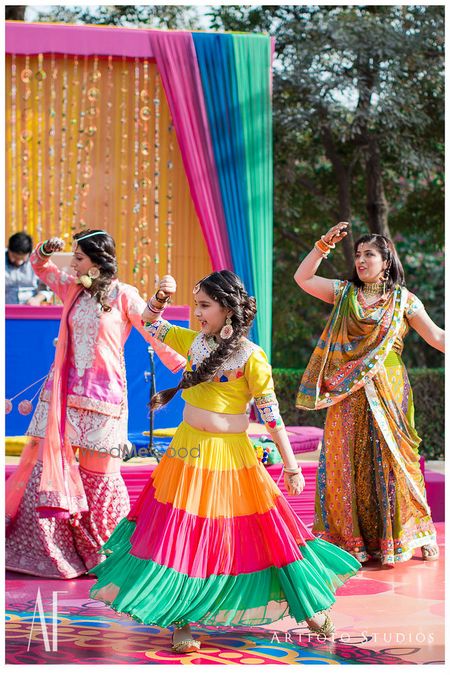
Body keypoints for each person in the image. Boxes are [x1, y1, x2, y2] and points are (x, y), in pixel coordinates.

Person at [89, 270, 360, 653]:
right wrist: (162, 298)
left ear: (227, 309)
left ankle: (309, 606)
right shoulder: (193, 341)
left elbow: (271, 416)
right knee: (181, 534)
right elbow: (149, 323)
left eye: (204, 305)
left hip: (231, 458)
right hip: (188, 455)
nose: (197, 313)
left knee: (265, 534)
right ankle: (179, 618)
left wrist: (292, 465)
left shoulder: (252, 357)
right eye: (197, 304)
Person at [5, 230, 184, 579]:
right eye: (73, 258)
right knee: (47, 472)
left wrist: (182, 362)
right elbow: (40, 266)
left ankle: (105, 553)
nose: (73, 264)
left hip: (105, 400)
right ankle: (51, 553)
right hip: (63, 396)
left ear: (98, 261)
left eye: (79, 258)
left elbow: (151, 327)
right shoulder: (72, 287)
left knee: (99, 478)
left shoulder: (124, 295)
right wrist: (46, 249)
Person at [294, 223, 444, 567]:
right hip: (347, 391)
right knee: (348, 461)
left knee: (396, 460)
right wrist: (322, 246)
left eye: (369, 254)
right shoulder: (344, 293)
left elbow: (437, 337)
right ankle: (354, 540)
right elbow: (303, 279)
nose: (361, 260)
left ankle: (417, 533)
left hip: (389, 389)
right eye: (358, 255)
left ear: (386, 261)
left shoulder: (404, 300)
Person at [5, 232, 52, 305]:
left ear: (29, 253)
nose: (18, 262)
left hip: (30, 310)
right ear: (8, 249)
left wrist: (37, 299)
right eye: (14, 257)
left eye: (22, 259)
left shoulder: (38, 262)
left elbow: (47, 289)